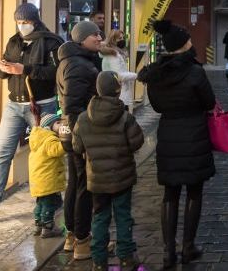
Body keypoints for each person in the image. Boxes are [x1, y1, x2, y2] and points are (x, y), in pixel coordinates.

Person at [0, 3, 63, 228]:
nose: (22, 26)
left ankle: (46, 206)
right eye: (19, 22)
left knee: (44, 156)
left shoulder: (51, 42)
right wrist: (3, 68)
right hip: (14, 105)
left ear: (35, 21)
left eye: (26, 22)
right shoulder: (14, 41)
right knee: (2, 153)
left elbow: (57, 72)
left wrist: (26, 70)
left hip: (41, 106)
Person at [137, 20, 217, 268]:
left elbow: (158, 106)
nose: (192, 42)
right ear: (183, 45)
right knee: (194, 192)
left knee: (169, 194)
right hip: (194, 135)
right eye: (188, 39)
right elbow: (209, 102)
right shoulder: (194, 72)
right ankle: (188, 246)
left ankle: (168, 251)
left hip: (169, 135)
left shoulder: (156, 75)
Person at [72, 71, 146, 271]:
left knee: (99, 217)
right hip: (122, 178)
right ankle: (125, 258)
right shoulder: (124, 117)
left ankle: (98, 260)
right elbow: (137, 142)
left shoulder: (83, 118)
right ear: (118, 90)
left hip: (97, 180)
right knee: (123, 216)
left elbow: (76, 147)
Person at [56, 20, 104, 260]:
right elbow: (72, 105)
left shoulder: (77, 60)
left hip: (74, 131)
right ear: (81, 39)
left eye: (99, 33)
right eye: (94, 34)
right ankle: (82, 241)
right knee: (84, 185)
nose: (99, 37)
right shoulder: (77, 64)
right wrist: (81, 138)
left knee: (75, 184)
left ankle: (73, 237)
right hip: (79, 132)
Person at [29, 114, 66, 238]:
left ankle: (38, 225)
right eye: (57, 123)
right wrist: (66, 142)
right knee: (49, 204)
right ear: (49, 127)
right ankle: (48, 227)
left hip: (39, 179)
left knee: (40, 203)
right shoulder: (50, 139)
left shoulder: (38, 139)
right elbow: (56, 150)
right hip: (48, 180)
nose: (61, 125)